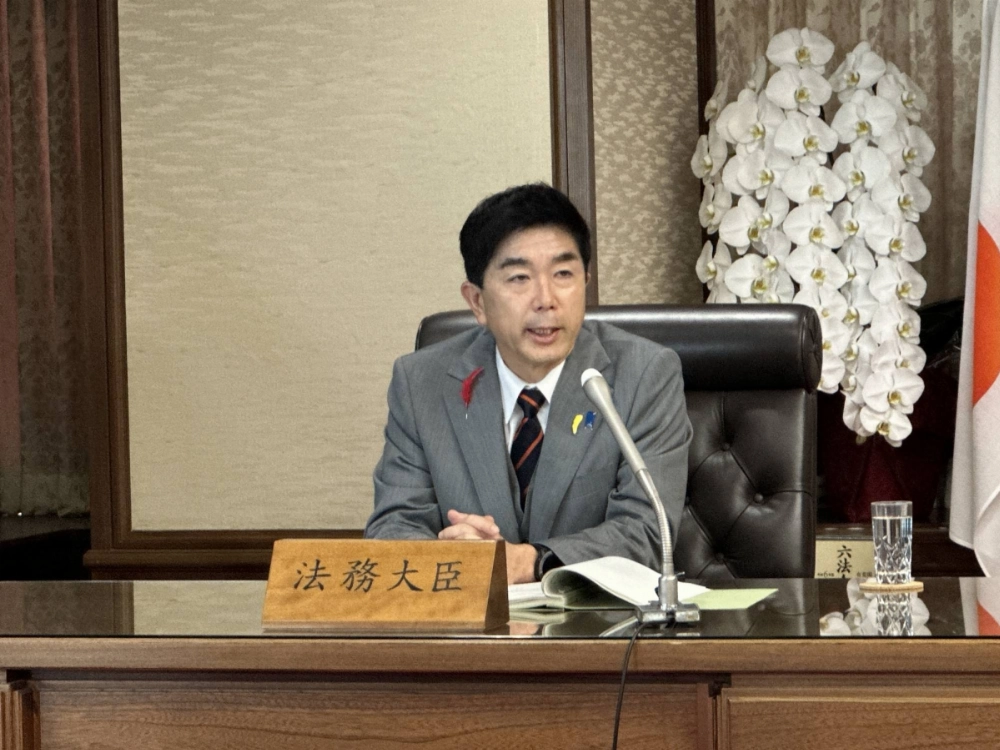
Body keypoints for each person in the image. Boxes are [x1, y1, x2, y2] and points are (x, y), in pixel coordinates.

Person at [364, 183, 692, 584]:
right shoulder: (422, 384)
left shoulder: (643, 375)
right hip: (473, 637)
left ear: (586, 281)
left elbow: (647, 532)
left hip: (602, 631)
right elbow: (393, 527)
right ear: (478, 302)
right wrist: (455, 556)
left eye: (563, 274)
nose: (546, 299)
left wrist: (531, 562)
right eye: (519, 278)